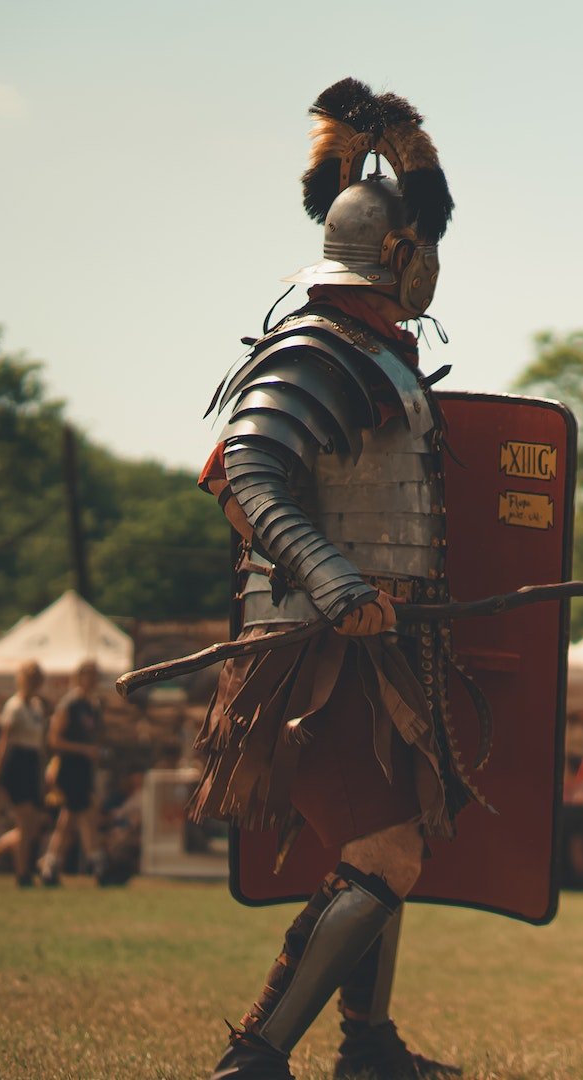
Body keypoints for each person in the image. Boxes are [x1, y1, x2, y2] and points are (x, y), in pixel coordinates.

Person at [187, 78, 463, 1080]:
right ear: (397, 251)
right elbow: (245, 475)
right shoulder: (319, 347)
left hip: (373, 648)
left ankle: (370, 1047)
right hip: (316, 654)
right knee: (385, 856)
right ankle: (256, 1057)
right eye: (425, 248)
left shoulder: (375, 354)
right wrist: (340, 584)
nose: (433, 267)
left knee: (388, 847)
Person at [0, 660, 51, 886]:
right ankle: (22, 873)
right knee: (25, 822)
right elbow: (4, 741)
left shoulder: (37, 707)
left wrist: (43, 772)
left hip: (32, 763)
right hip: (16, 764)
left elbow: (40, 743)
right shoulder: (14, 706)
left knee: (31, 826)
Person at [39, 659, 106, 885]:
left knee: (69, 819)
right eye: (89, 675)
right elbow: (54, 740)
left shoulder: (93, 705)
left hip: (84, 768)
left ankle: (50, 863)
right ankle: (96, 862)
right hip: (69, 767)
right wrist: (84, 749)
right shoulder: (70, 704)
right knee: (83, 814)